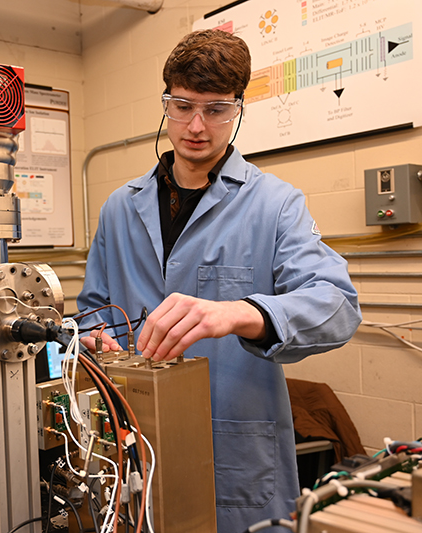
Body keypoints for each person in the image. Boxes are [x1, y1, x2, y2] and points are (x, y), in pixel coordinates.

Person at [77, 29, 361, 531]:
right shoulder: (120, 208)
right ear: (165, 102)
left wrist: (240, 313)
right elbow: (91, 311)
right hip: (131, 444)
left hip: (235, 460)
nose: (196, 126)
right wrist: (93, 338)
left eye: (216, 110)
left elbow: (337, 305)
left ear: (238, 110)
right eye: (182, 106)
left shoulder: (275, 203)